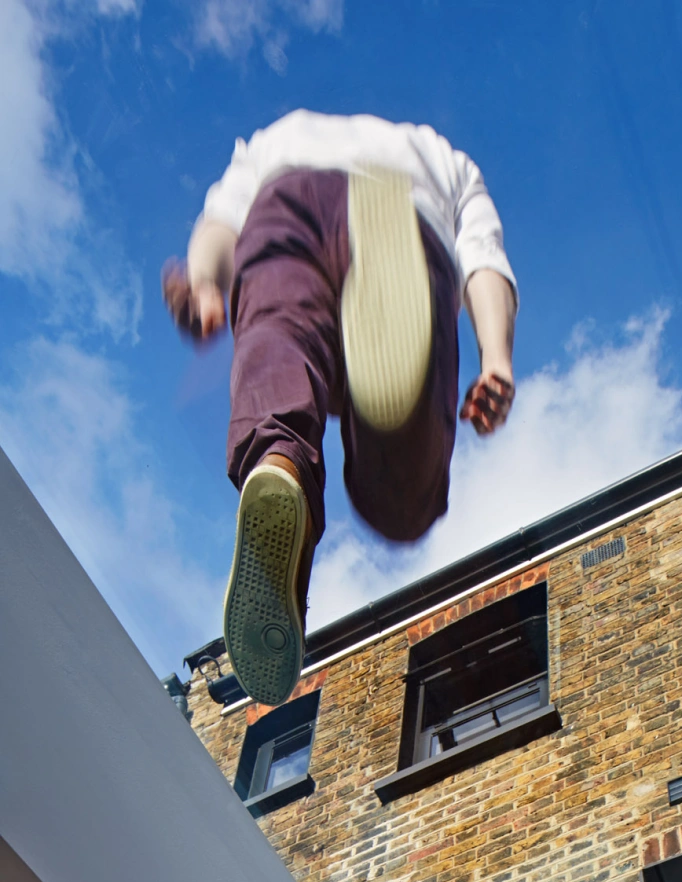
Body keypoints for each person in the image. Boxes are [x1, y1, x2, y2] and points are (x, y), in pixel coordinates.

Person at [163, 109, 518, 707]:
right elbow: (484, 258)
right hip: (412, 206)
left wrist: (203, 281)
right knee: (401, 502)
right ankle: (388, 314)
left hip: (284, 201)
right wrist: (497, 358)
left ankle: (280, 464)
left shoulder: (275, 134)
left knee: (279, 344)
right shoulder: (452, 160)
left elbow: (222, 220)